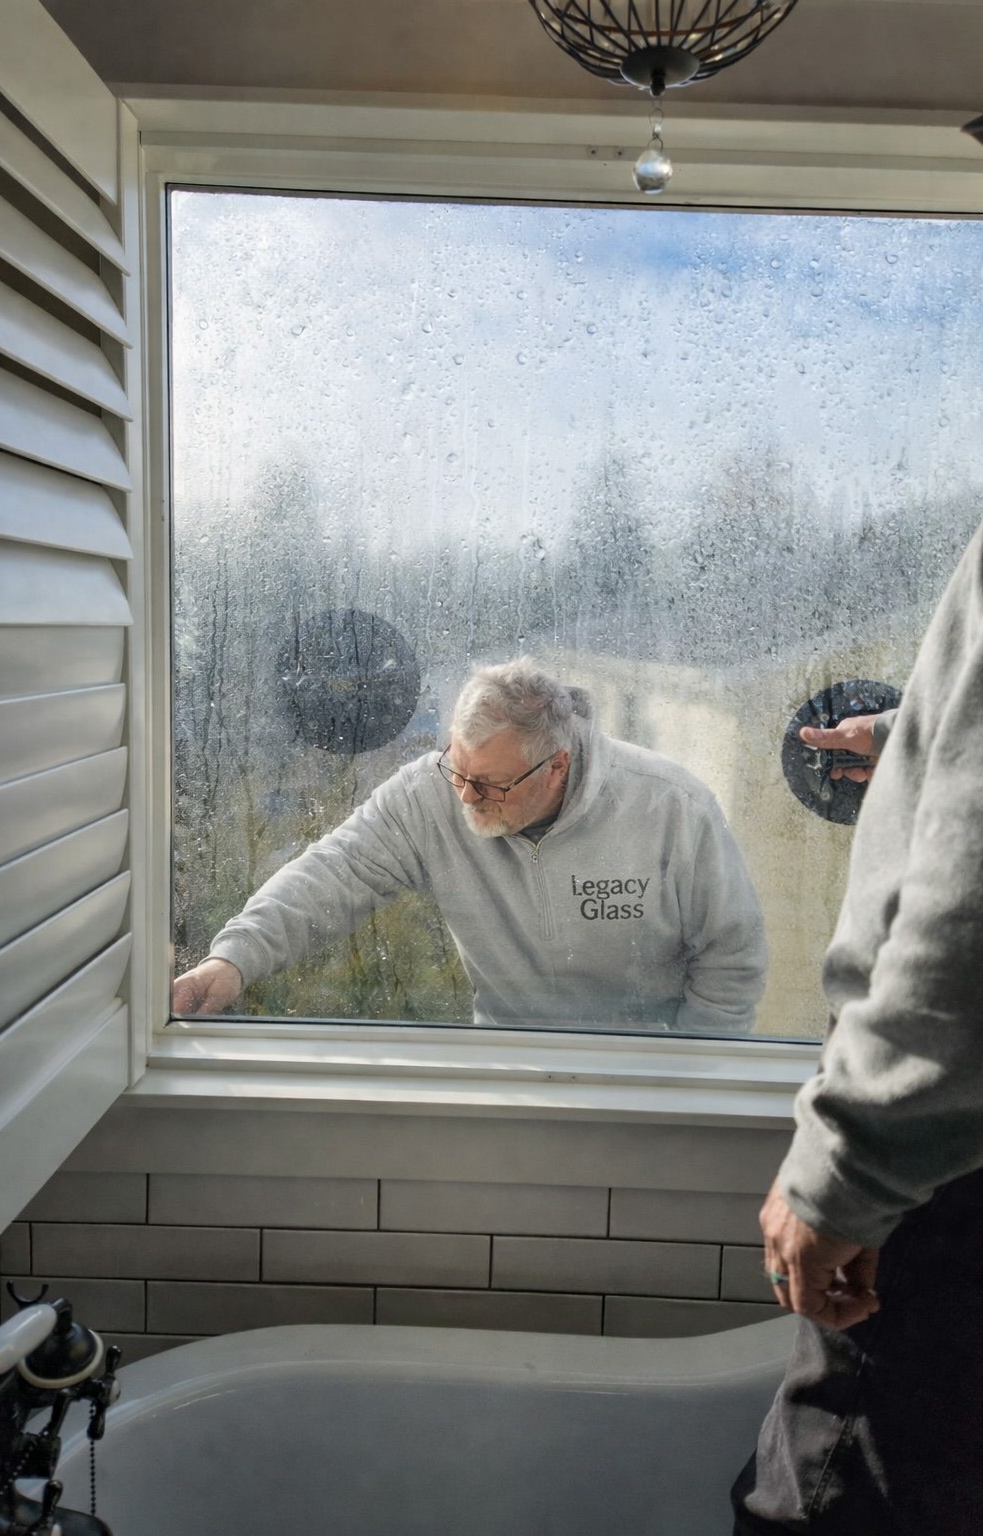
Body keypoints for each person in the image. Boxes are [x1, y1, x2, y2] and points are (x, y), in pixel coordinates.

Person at [732, 526, 983, 1534]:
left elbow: (970, 906)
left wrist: (852, 1158)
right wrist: (922, 737)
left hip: (942, 1141)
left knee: (838, 1487)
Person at [173, 657, 767, 1032]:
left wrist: (689, 1071)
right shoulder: (432, 794)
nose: (465, 798)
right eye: (457, 771)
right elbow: (333, 872)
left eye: (488, 784)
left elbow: (732, 956)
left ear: (555, 767)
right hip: (504, 1065)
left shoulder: (670, 806)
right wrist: (234, 958)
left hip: (645, 1075)